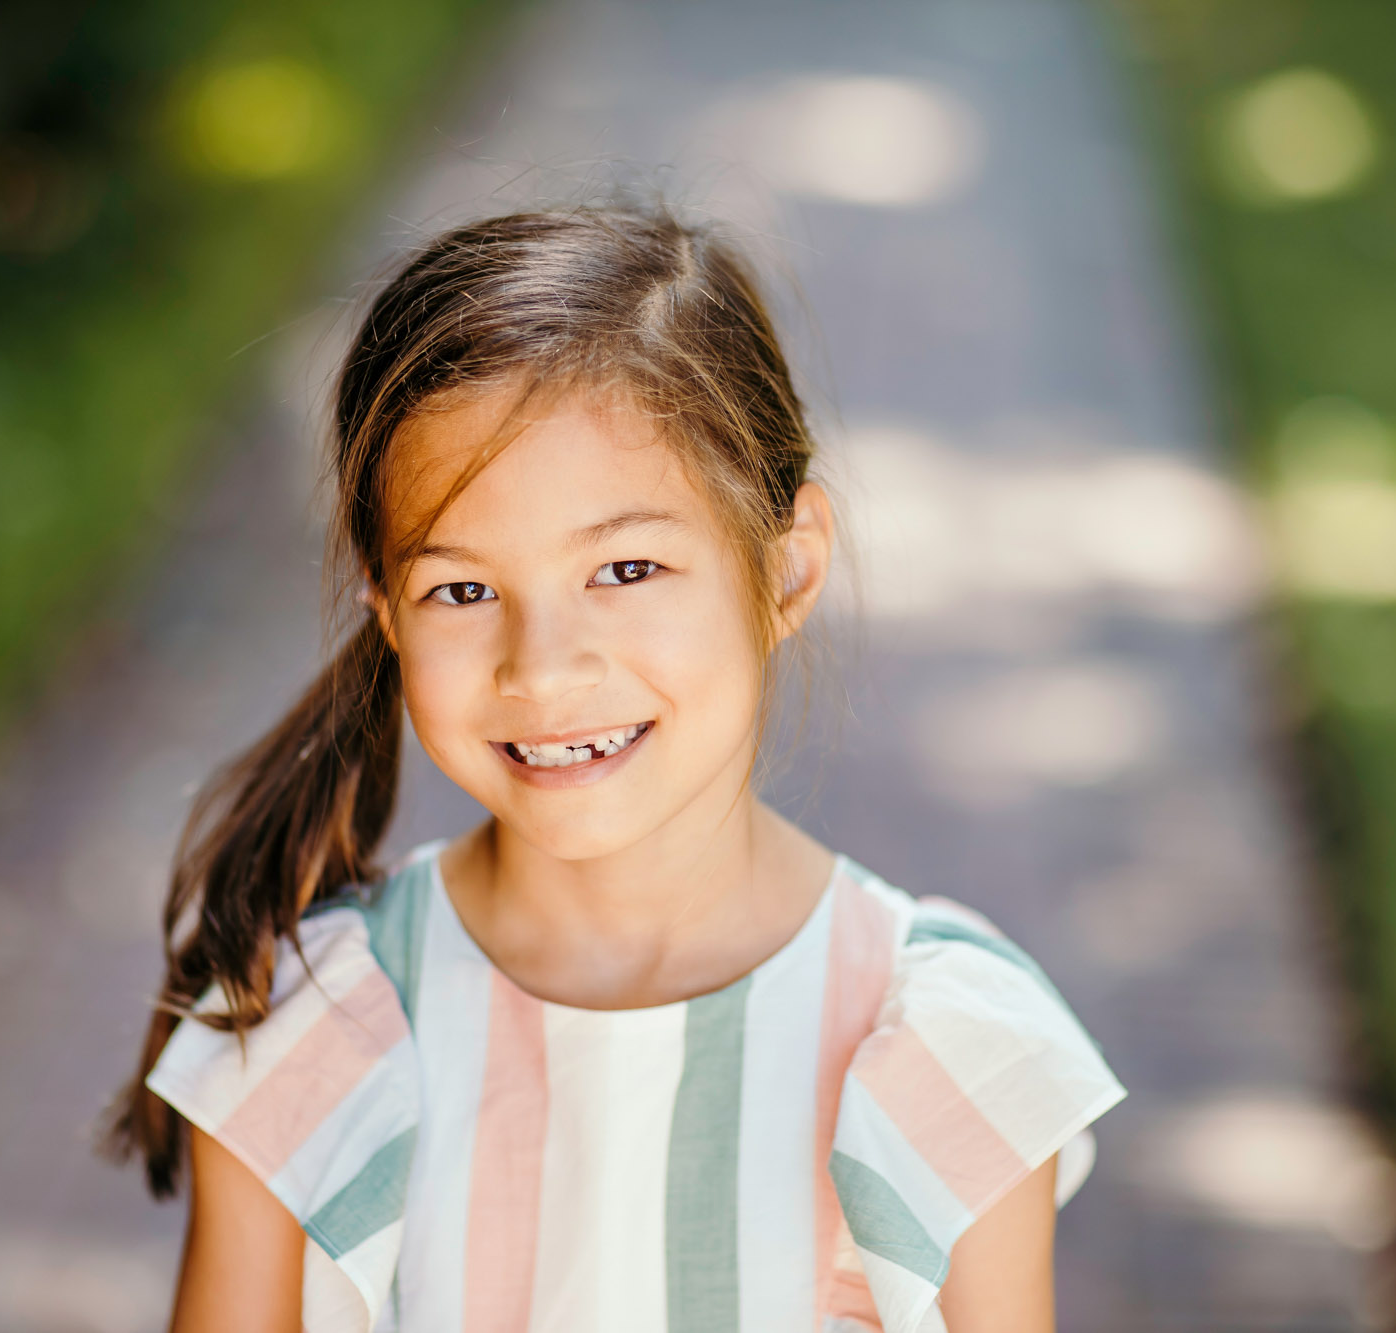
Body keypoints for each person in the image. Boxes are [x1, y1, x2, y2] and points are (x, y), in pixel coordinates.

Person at [102, 198, 1125, 1333]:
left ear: (783, 572)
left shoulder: (942, 1043)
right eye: (463, 590)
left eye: (625, 569)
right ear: (387, 615)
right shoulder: (307, 1027)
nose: (540, 670)